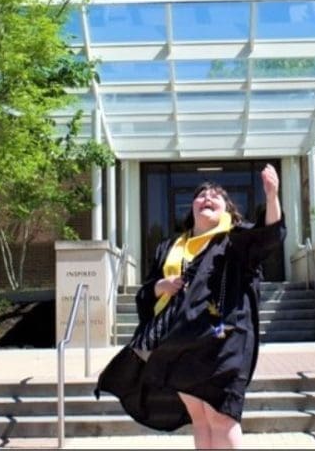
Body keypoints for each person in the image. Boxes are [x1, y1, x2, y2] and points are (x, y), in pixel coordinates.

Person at [95, 165, 285, 449]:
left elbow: (268, 236)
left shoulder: (236, 240)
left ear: (228, 211)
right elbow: (146, 294)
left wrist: (271, 196)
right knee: (200, 418)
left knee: (222, 415)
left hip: (224, 338)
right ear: (192, 208)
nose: (207, 197)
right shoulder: (171, 247)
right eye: (201, 195)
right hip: (181, 341)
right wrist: (161, 286)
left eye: (216, 196)